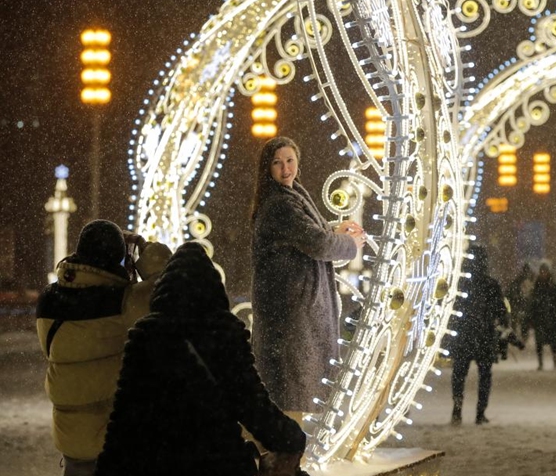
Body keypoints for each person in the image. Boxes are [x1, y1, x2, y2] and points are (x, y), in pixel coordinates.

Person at [94, 243, 307, 476]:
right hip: (217, 462)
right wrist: (290, 436)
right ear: (214, 289)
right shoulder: (224, 335)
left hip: (158, 463)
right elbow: (251, 403)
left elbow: (125, 417)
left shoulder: (146, 336)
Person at [35, 220, 171, 476]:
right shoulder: (124, 302)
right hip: (111, 435)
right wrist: (146, 250)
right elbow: (169, 288)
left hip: (70, 435)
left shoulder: (48, 299)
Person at [250, 136, 365, 421]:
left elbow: (311, 233)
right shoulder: (280, 204)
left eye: (289, 160)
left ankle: (284, 456)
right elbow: (317, 243)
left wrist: (336, 230)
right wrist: (350, 244)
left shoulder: (292, 196)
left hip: (294, 309)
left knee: (291, 391)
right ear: (268, 168)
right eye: (277, 163)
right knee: (290, 392)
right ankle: (284, 461)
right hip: (290, 313)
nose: (285, 168)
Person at [449, 245, 508, 425]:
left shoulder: (460, 284)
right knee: (484, 375)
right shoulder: (490, 284)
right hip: (484, 335)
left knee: (459, 374)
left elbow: (452, 309)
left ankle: (457, 409)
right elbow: (501, 310)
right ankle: (480, 413)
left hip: (464, 334)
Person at [529, 263, 556, 370]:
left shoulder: (553, 285)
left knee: (553, 342)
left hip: (551, 317)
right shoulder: (537, 286)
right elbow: (532, 302)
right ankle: (541, 363)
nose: (543, 274)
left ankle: (554, 360)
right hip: (540, 317)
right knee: (539, 341)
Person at [507, 263, 536, 344]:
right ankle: (521, 336)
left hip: (522, 304)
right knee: (521, 320)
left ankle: (521, 336)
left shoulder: (524, 280)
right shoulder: (525, 280)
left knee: (522, 321)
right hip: (521, 304)